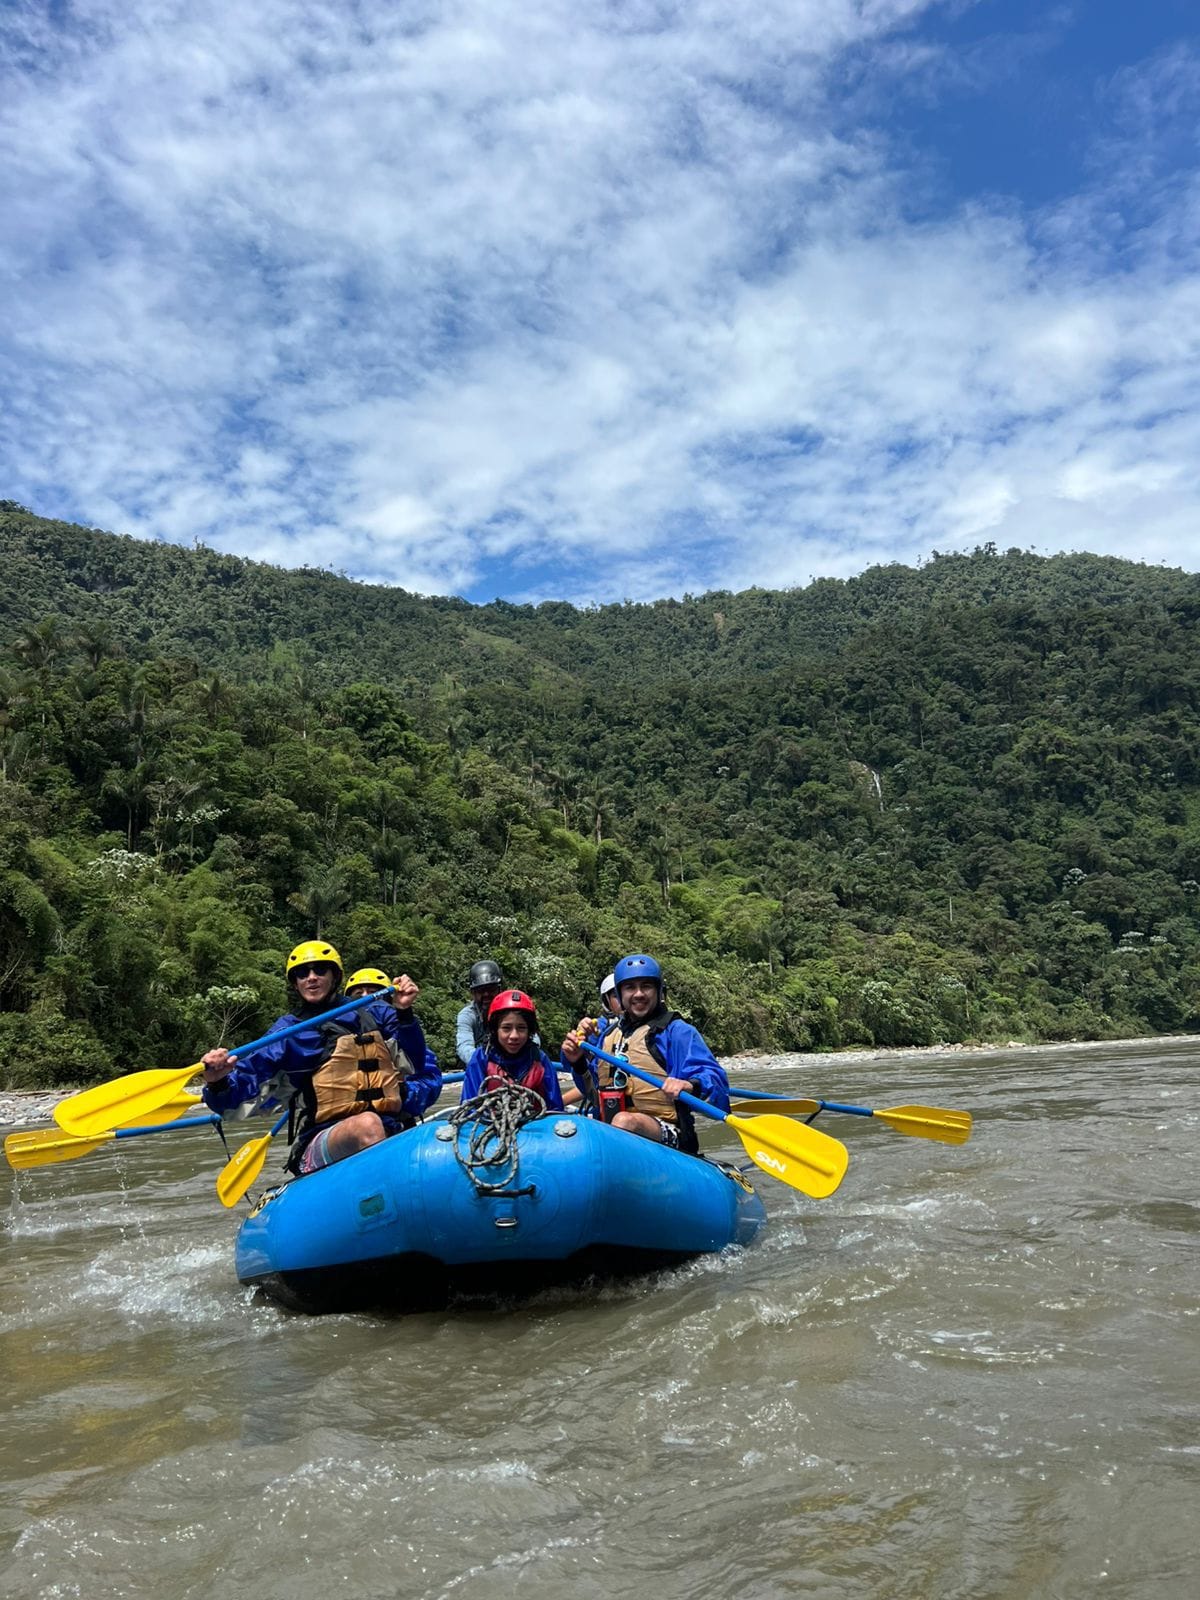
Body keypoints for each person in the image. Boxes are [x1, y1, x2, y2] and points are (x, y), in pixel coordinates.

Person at [201, 941, 440, 1175]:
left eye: (320, 970)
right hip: (323, 1138)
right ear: (295, 983)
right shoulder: (289, 1033)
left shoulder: (374, 1013)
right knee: (367, 1124)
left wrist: (404, 1013)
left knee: (405, 1130)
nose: (311, 978)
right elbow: (236, 1100)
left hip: (390, 1126)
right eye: (302, 973)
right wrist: (217, 1082)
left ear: (335, 976)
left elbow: (416, 1064)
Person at [560, 953, 728, 1154]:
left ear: (659, 991)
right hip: (611, 1131)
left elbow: (716, 1082)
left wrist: (691, 1085)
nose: (639, 994)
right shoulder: (609, 1035)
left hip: (667, 1133)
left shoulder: (677, 1032)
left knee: (624, 1121)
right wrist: (578, 1062)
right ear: (620, 995)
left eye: (646, 986)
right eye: (630, 987)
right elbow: (593, 1095)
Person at [459, 989, 565, 1110]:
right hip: (490, 1121)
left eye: (521, 1028)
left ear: (529, 1031)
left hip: (535, 1120)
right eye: (506, 1028)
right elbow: (470, 1109)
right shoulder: (481, 1058)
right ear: (495, 1030)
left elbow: (555, 1108)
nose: (514, 1036)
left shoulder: (540, 1059)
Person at [347, 964, 442, 1078]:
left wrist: (405, 1013)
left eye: (372, 992)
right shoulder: (341, 1023)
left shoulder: (396, 1022)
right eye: (358, 993)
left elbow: (420, 1068)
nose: (365, 997)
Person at [455, 958, 504, 1066]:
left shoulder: (510, 1010)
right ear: (473, 993)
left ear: (499, 989)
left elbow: (532, 1037)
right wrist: (487, 1063)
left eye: (491, 989)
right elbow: (464, 1046)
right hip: (481, 1065)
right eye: (480, 990)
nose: (486, 994)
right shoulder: (467, 1015)